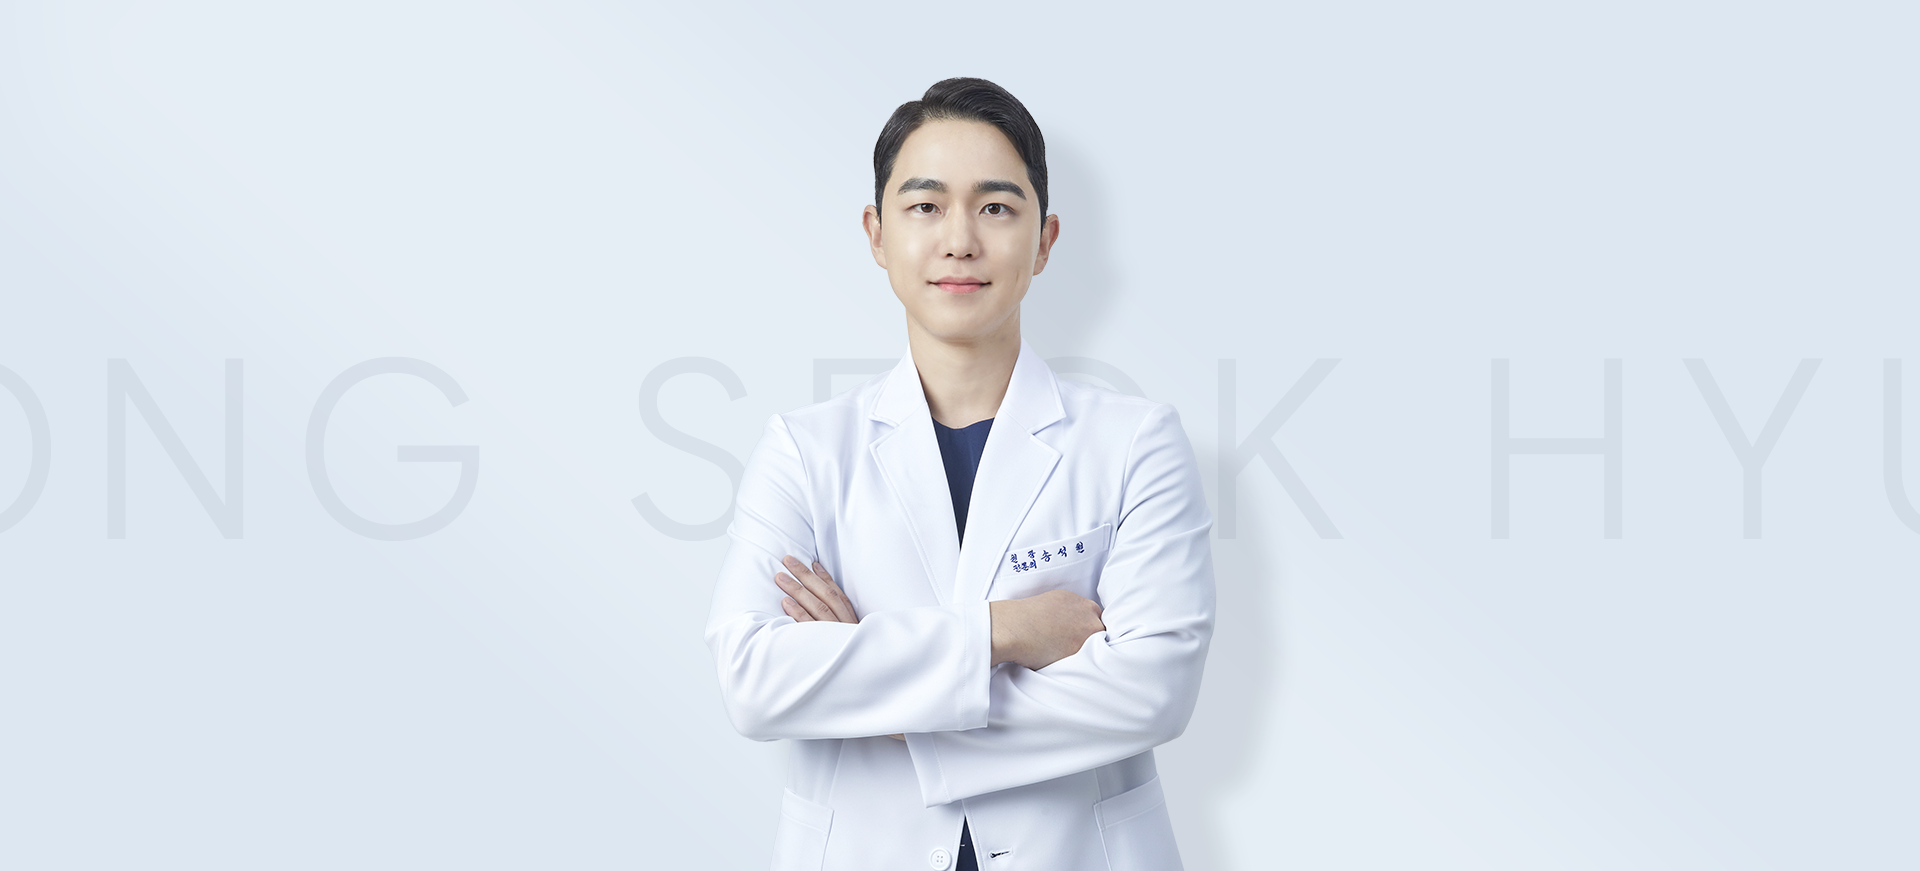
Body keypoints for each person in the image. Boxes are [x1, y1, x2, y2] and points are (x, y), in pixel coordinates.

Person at [705, 77, 1215, 871]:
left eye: (997, 207)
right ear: (877, 234)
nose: (959, 240)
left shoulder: (1136, 442)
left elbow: (1152, 691)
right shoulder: (804, 451)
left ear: (1045, 240)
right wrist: (1006, 631)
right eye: (925, 205)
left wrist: (876, 690)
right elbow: (755, 680)